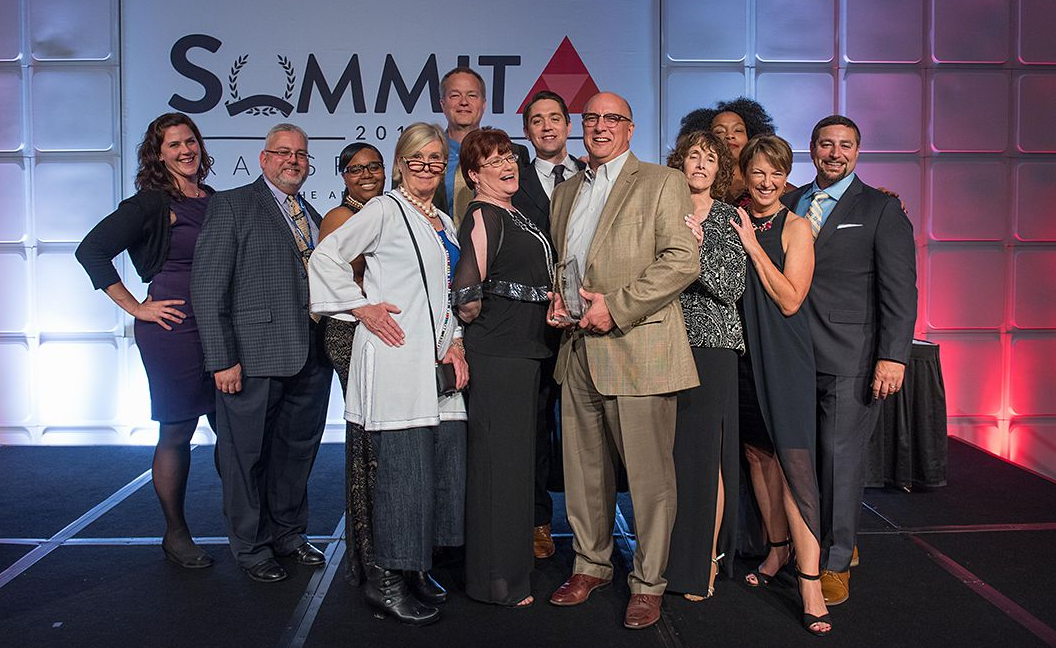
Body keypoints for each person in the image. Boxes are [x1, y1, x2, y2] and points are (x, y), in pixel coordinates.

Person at [546, 92, 700, 630]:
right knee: (583, 471)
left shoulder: (662, 181)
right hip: (577, 351)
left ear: (630, 129)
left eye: (612, 118)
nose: (600, 126)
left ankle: (648, 582)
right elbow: (567, 264)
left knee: (649, 478)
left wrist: (616, 307)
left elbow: (682, 260)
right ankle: (590, 565)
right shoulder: (566, 191)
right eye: (591, 118)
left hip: (640, 349)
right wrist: (560, 301)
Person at [308, 122, 469, 626]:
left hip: (435, 359)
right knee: (400, 471)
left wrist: (457, 344)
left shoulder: (442, 220)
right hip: (395, 354)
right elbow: (325, 256)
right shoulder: (383, 209)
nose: (427, 167)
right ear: (400, 165)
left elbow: (446, 292)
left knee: (432, 469)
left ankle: (414, 567)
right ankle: (385, 581)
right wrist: (361, 307)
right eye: (416, 159)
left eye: (436, 159)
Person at [781, 115, 916, 606]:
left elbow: (900, 290)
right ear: (812, 148)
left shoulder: (881, 208)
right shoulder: (791, 202)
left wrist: (893, 356)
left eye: (845, 145)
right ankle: (813, 545)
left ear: (857, 152)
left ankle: (836, 560)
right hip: (793, 354)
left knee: (841, 461)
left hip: (851, 356)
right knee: (802, 461)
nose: (834, 153)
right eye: (826, 144)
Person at [190, 123, 333, 584]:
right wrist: (221, 358)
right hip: (250, 359)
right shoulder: (232, 205)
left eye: (301, 154)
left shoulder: (312, 213)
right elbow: (208, 287)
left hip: (310, 356)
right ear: (264, 158)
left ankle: (288, 534)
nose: (293, 160)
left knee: (296, 453)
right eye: (283, 152)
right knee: (244, 457)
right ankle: (251, 547)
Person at [75, 112, 217, 569]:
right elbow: (91, 250)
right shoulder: (150, 205)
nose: (185, 150)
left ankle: (251, 531)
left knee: (235, 431)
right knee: (177, 430)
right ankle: (176, 534)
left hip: (219, 327)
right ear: (159, 154)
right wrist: (137, 306)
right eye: (174, 144)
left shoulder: (214, 200)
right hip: (173, 329)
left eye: (190, 141)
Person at [730, 134, 831, 636]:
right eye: (759, 172)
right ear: (745, 176)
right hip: (744, 358)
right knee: (757, 456)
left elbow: (791, 299)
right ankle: (776, 550)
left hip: (785, 358)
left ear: (786, 178)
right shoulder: (733, 218)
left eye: (777, 173)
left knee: (795, 467)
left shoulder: (797, 227)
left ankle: (810, 582)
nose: (767, 182)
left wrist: (752, 245)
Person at [451, 128, 554, 607]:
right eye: (493, 161)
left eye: (509, 156)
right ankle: (495, 581)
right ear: (475, 175)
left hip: (523, 352)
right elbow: (466, 294)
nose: (507, 165)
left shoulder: (514, 213)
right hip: (499, 354)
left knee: (515, 466)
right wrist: (491, 323)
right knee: (499, 468)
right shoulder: (484, 213)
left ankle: (510, 574)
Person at [662, 130, 745, 601]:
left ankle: (703, 563)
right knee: (670, 458)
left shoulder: (730, 218)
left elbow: (732, 287)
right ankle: (666, 560)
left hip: (712, 347)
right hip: (664, 342)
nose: (699, 164)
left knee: (703, 458)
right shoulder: (665, 209)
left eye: (709, 159)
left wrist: (694, 250)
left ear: (719, 170)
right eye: (693, 156)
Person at [511, 90, 587, 559]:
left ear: (568, 125)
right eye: (537, 120)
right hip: (532, 322)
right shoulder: (511, 181)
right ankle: (538, 520)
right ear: (527, 131)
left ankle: (590, 528)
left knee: (587, 432)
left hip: (587, 319)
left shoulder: (592, 174)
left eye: (554, 118)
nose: (546, 126)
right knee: (535, 429)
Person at [318, 142, 386, 586]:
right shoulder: (340, 218)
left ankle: (389, 540)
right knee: (366, 438)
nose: (366, 174)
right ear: (343, 175)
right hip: (350, 331)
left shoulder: (387, 209)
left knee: (382, 438)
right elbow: (333, 277)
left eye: (373, 166)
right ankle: (368, 549)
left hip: (381, 330)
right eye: (356, 168)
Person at [434, 66, 529, 226]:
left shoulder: (515, 153)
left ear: (484, 104)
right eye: (455, 95)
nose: (464, 102)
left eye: (472, 95)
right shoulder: (422, 156)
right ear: (442, 104)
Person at [677, 97, 778, 207]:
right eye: (720, 131)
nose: (730, 135)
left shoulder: (770, 186)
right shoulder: (693, 184)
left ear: (750, 137)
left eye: (738, 130)